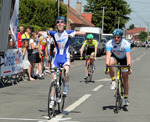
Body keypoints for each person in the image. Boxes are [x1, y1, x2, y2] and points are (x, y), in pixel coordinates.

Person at [39, 16, 86, 108]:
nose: (59, 24)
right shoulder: (53, 33)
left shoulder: (68, 32)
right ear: (56, 24)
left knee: (66, 71)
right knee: (53, 80)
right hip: (56, 58)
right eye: (57, 22)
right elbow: (39, 32)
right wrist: (43, 34)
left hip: (65, 57)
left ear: (64, 24)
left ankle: (66, 86)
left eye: (61, 22)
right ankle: (52, 100)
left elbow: (84, 33)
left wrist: (74, 33)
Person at [105, 28, 132, 106]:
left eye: (118, 37)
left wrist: (129, 67)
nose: (116, 39)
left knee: (125, 77)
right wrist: (107, 66)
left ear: (121, 37)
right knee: (110, 62)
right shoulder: (110, 43)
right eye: (115, 37)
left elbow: (129, 57)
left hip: (124, 59)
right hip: (115, 57)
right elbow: (107, 56)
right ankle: (113, 80)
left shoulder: (126, 44)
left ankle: (126, 98)